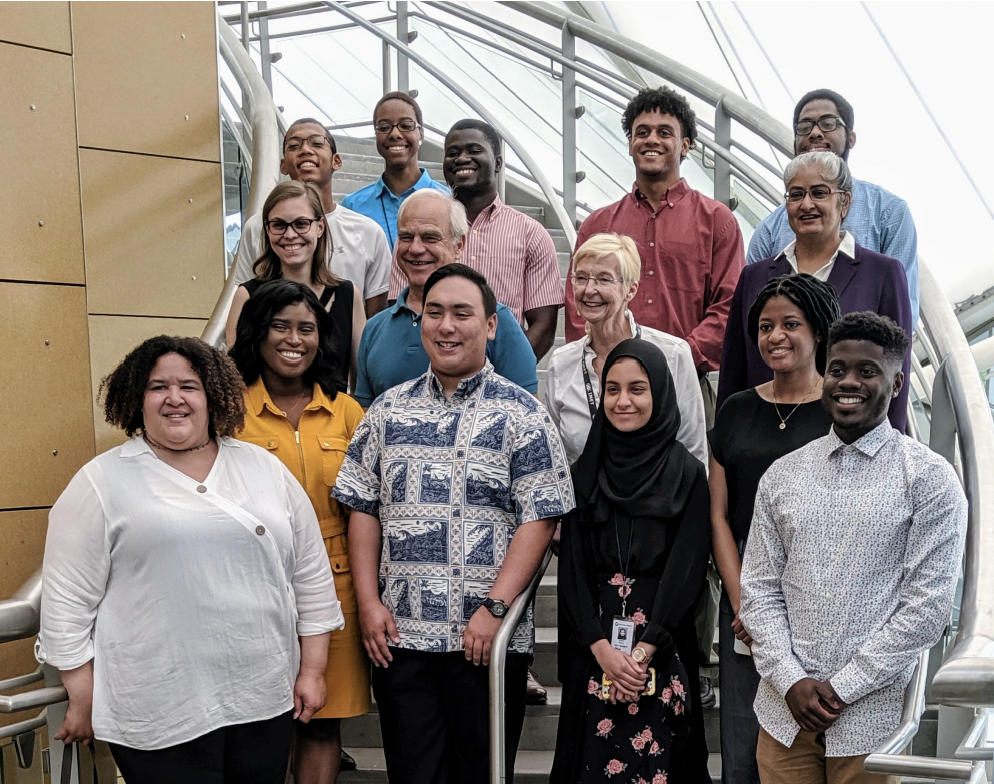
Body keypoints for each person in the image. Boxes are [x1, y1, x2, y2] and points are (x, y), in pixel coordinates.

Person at [37, 336, 342, 783]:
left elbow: (311, 577)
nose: (174, 398)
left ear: (212, 395)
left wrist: (313, 671)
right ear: (136, 398)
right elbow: (65, 603)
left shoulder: (262, 468)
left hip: (261, 697)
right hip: (158, 708)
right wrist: (82, 695)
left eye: (189, 386)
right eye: (158, 386)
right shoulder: (102, 481)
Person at [333, 263, 574, 784]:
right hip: (401, 641)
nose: (446, 326)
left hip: (485, 642)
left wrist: (495, 609)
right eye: (435, 312)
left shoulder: (523, 414)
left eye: (462, 314)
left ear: (490, 325)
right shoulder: (385, 413)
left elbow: (540, 518)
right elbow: (363, 509)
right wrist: (369, 605)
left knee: (481, 776)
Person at [740, 312, 967, 784]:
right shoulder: (782, 475)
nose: (849, 382)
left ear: (898, 382)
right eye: (837, 369)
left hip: (872, 723)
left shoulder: (929, 479)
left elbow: (926, 609)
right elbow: (759, 589)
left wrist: (841, 689)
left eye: (868, 372)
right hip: (783, 714)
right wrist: (791, 681)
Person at [551, 338, 711, 784]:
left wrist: (641, 653)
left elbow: (688, 568)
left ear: (659, 393)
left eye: (637, 389)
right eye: (613, 389)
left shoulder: (687, 474)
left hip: (662, 645)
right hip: (596, 649)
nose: (623, 401)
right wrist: (603, 650)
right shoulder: (585, 470)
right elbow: (573, 571)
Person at [229, 280, 369, 784]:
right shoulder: (228, 412)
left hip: (335, 585)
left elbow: (369, 509)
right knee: (261, 721)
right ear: (257, 334)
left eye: (306, 329)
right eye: (281, 326)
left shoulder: (348, 411)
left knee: (320, 720)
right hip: (251, 583)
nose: (295, 339)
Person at [708, 274, 840, 784]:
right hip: (743, 590)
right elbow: (718, 513)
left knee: (813, 732)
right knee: (743, 737)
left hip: (817, 592)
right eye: (765, 327)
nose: (775, 337)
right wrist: (744, 604)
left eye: (790, 324)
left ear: (818, 331)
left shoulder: (839, 410)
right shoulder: (738, 407)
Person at [563, 86, 745, 416]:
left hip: (685, 384)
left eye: (665, 132)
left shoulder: (718, 221)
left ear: (685, 145)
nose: (651, 140)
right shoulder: (597, 224)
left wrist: (676, 357)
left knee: (690, 469)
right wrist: (606, 364)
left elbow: (729, 308)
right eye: (642, 132)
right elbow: (578, 305)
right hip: (607, 388)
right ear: (631, 143)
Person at [717, 151, 912, 432]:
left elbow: (897, 367)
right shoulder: (755, 277)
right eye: (795, 195)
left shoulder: (882, 273)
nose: (806, 204)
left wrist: (891, 445)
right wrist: (726, 439)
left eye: (819, 192)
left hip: (849, 438)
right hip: (764, 435)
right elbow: (734, 368)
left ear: (844, 202)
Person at [387, 119, 563, 359]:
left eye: (474, 150)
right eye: (453, 153)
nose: (461, 158)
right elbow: (399, 314)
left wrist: (503, 376)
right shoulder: (414, 239)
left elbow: (543, 327)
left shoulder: (531, 234)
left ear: (498, 163)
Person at [747, 89, 919, 325]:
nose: (815, 133)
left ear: (850, 138)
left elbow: (901, 311)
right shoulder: (769, 230)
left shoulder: (888, 213)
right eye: (804, 126)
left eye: (828, 124)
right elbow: (754, 315)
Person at [353, 189, 538, 408]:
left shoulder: (495, 320)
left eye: (430, 237)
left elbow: (527, 412)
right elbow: (365, 417)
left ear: (459, 245)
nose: (415, 248)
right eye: (406, 237)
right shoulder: (375, 328)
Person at [546, 232, 707, 467]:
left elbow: (694, 449)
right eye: (581, 278)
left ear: (631, 290)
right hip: (584, 502)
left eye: (604, 279)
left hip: (659, 501)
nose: (589, 289)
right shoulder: (562, 363)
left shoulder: (672, 354)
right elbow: (556, 457)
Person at [231, 117, 393, 318]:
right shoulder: (257, 227)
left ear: (337, 161)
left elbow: (374, 320)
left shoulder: (368, 231)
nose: (306, 150)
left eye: (317, 143)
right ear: (283, 165)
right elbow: (246, 301)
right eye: (294, 146)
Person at [225, 181, 365, 392]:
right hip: (264, 422)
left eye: (301, 224)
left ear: (320, 227)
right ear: (267, 229)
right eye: (279, 225)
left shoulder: (347, 295)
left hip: (333, 421)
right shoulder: (247, 296)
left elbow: (360, 383)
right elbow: (235, 382)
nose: (290, 235)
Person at [342, 92, 449, 250]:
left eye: (405, 126)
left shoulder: (448, 201)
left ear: (421, 133)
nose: (395, 134)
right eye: (384, 127)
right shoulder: (353, 206)